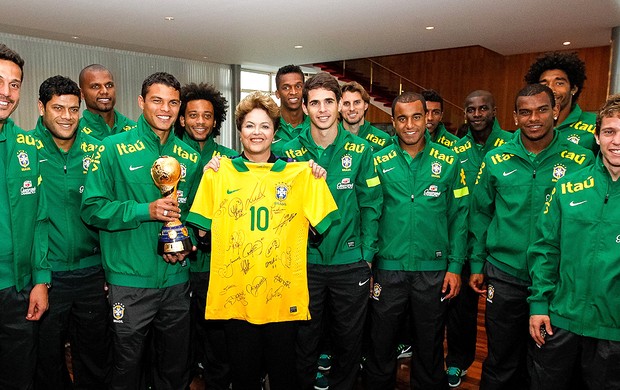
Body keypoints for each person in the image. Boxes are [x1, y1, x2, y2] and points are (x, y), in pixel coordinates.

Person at [187, 91, 339, 390]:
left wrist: (315, 179)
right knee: (244, 377)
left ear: (275, 132)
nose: (257, 132)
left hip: (282, 297)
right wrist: (208, 181)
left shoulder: (300, 173)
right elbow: (202, 235)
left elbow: (319, 230)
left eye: (265, 126)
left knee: (284, 377)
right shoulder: (219, 172)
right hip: (237, 297)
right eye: (250, 126)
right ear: (240, 131)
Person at [469, 84, 594, 390]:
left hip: (556, 281)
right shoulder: (496, 159)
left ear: (555, 111)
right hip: (504, 273)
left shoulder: (581, 161)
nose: (533, 118)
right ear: (515, 117)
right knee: (501, 359)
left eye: (541, 110)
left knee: (546, 363)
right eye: (525, 112)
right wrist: (475, 264)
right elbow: (481, 213)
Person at [81, 72, 201, 390]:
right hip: (129, 283)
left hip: (176, 281)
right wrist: (144, 211)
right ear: (141, 103)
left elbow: (192, 215)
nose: (166, 109)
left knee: (175, 370)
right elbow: (92, 208)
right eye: (157, 101)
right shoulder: (111, 149)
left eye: (173, 102)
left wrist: (187, 242)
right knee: (126, 370)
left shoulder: (189, 156)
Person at [283, 72, 382, 390]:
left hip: (349, 263)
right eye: (315, 103)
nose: (322, 109)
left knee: (348, 342)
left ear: (340, 105)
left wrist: (366, 256)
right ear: (306, 107)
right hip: (303, 264)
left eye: (329, 101)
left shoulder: (361, 150)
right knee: (303, 340)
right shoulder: (287, 152)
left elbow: (371, 204)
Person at [365, 91, 468, 389]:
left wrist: (455, 265)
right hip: (388, 268)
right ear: (393, 122)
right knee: (381, 343)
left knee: (430, 343)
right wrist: (368, 264)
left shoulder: (449, 160)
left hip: (433, 270)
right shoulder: (377, 160)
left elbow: (460, 216)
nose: (410, 125)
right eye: (402, 118)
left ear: (428, 118)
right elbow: (370, 215)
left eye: (416, 117)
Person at [527, 94, 620, 390]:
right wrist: (539, 303)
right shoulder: (567, 186)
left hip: (613, 331)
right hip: (560, 321)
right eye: (609, 131)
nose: (617, 140)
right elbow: (545, 248)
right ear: (597, 136)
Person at [33, 75, 110, 389]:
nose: (67, 116)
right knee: (46, 360)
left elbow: (110, 207)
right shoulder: (24, 148)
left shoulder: (98, 150)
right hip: (47, 275)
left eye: (73, 109)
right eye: (58, 108)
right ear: (41, 108)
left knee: (95, 357)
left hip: (92, 272)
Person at [446, 90, 512, 387]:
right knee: (462, 311)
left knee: (500, 321)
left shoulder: (512, 146)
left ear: (494, 110)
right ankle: (458, 362)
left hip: (500, 246)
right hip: (463, 243)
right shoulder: (456, 151)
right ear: (465, 113)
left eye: (483, 108)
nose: (477, 114)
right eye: (471, 109)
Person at [175, 81, 237, 389]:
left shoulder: (231, 158)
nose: (201, 121)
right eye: (193, 115)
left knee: (218, 336)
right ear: (182, 119)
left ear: (216, 120)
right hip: (180, 262)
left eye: (207, 115)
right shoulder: (170, 156)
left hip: (218, 264)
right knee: (181, 334)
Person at [0, 43, 51, 390]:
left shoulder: (26, 145)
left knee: (19, 377)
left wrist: (40, 280)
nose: (6, 93)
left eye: (15, 84)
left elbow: (39, 218)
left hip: (17, 291)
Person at [524, 52, 596, 151]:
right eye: (544, 84)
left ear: (573, 89)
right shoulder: (529, 125)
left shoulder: (594, 123)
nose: (550, 89)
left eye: (559, 83)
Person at [78, 64, 136, 140]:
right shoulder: (75, 133)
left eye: (109, 85)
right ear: (82, 94)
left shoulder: (136, 130)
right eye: (95, 86)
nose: (104, 91)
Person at [340, 81, 391, 151]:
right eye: (346, 103)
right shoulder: (330, 138)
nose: (352, 108)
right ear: (339, 107)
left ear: (365, 105)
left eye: (357, 102)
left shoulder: (383, 140)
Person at [271, 64, 309, 155]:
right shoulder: (269, 126)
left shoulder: (315, 125)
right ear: (277, 94)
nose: (293, 92)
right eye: (286, 87)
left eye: (298, 86)